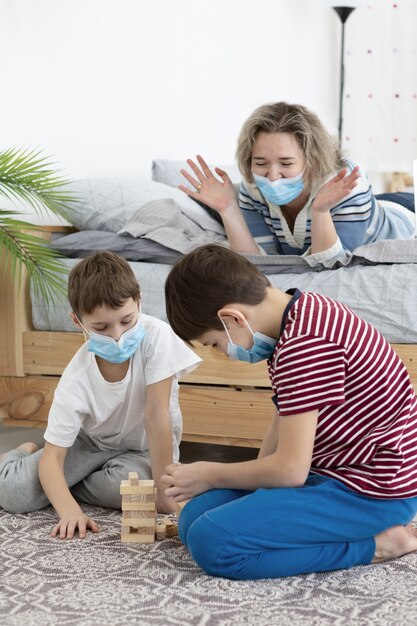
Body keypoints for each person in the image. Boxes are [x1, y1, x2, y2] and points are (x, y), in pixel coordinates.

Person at [161, 243, 417, 580]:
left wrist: (210, 473)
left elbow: (291, 471)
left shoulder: (305, 345)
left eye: (215, 344)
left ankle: (378, 545)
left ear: (232, 318)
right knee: (194, 518)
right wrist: (253, 489)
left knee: (213, 542)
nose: (224, 353)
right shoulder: (299, 313)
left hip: (371, 490)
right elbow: (282, 424)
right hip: (334, 471)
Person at [0, 251, 201, 538]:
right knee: (14, 493)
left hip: (142, 450)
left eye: (127, 321)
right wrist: (69, 510)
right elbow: (54, 459)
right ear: (77, 321)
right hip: (89, 444)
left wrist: (165, 491)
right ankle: (21, 453)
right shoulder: (76, 377)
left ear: (139, 303)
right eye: (101, 328)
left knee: (141, 488)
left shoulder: (157, 337)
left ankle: (63, 482)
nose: (118, 336)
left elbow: (156, 417)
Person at [179, 102, 415, 260]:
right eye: (261, 163)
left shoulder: (346, 183)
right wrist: (229, 209)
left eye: (286, 163)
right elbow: (262, 262)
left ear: (311, 159)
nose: (272, 176)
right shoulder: (252, 186)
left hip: (402, 212)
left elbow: (333, 263)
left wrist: (321, 212)